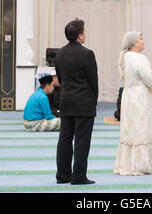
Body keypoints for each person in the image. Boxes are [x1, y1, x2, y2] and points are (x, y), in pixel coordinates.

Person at [113, 31, 152, 176]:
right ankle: (139, 166)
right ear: (133, 43)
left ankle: (126, 165)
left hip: (129, 95)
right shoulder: (140, 58)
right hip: (140, 97)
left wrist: (151, 71)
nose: (143, 41)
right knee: (141, 129)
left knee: (130, 129)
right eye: (141, 39)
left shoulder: (124, 56)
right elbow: (150, 80)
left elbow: (136, 76)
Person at [55, 19, 98, 185]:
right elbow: (93, 81)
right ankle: (79, 176)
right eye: (84, 31)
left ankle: (62, 175)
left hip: (66, 100)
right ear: (80, 35)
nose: (85, 34)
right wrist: (93, 101)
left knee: (64, 139)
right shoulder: (87, 54)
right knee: (81, 140)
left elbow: (60, 77)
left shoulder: (59, 53)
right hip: (83, 102)